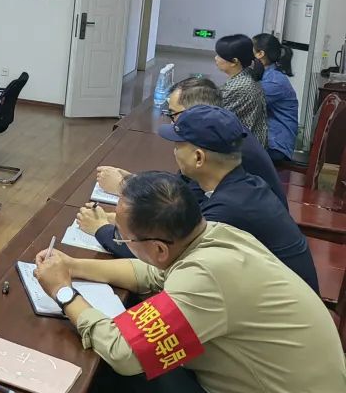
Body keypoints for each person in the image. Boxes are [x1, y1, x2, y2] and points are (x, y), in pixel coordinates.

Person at [34, 172, 346, 393]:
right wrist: (72, 266)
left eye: (124, 240)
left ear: (159, 248)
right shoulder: (217, 235)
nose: (122, 243)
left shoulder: (205, 278)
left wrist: (63, 293)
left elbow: (123, 351)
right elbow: (151, 273)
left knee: (113, 372)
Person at [78, 105, 319, 294]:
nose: (173, 151)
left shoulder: (226, 213)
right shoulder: (239, 186)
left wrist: (102, 229)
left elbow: (162, 261)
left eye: (178, 145)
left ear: (199, 158)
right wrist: (116, 218)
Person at [96, 76, 286, 204]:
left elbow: (185, 203)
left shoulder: (221, 144)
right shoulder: (219, 130)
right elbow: (183, 182)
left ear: (195, 112)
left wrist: (125, 188)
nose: (171, 121)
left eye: (173, 114)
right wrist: (136, 180)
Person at [253, 32, 300, 167]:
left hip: (275, 146)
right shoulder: (268, 75)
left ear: (260, 54)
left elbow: (247, 103)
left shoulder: (274, 81)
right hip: (271, 141)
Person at [214, 33, 268, 146]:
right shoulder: (247, 75)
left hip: (243, 149)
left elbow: (213, 117)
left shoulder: (239, 86)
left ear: (234, 61)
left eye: (220, 55)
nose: (216, 58)